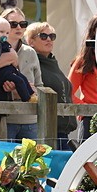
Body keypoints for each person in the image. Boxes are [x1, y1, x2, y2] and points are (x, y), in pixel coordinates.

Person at [25, 21, 77, 151]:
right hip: (43, 131)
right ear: (31, 41)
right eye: (43, 36)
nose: (49, 39)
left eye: (52, 36)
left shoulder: (52, 62)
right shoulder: (31, 62)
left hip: (62, 132)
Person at [0, 8, 43, 142]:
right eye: (13, 24)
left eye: (23, 24)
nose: (18, 27)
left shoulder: (30, 52)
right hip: (5, 118)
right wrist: (13, 92)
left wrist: (34, 92)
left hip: (30, 120)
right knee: (4, 162)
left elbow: (40, 85)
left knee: (34, 163)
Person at [69, 14, 97, 138]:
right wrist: (85, 109)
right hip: (90, 118)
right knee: (88, 156)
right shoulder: (83, 61)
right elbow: (68, 91)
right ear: (94, 31)